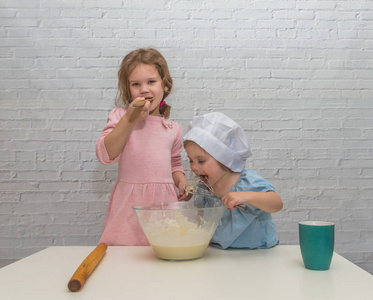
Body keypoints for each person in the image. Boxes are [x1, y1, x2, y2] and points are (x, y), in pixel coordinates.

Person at [96, 48, 187, 246]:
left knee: (163, 255)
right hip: (129, 206)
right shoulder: (121, 117)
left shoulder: (173, 128)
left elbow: (175, 164)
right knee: (123, 257)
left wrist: (180, 179)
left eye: (151, 82)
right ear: (128, 89)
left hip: (164, 206)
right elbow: (105, 154)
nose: (144, 89)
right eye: (136, 84)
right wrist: (130, 118)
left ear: (165, 85)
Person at [183, 112, 283, 249]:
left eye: (201, 161)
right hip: (218, 252)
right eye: (190, 160)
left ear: (223, 158)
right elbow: (202, 220)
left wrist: (247, 196)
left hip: (257, 254)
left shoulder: (247, 182)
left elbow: (276, 203)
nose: (194, 167)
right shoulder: (204, 188)